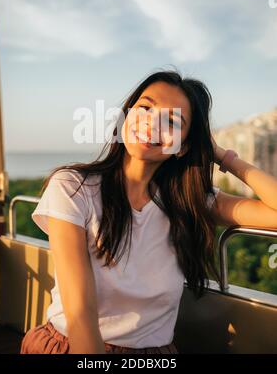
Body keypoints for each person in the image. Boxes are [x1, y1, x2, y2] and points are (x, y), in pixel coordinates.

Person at [20, 68, 277, 354]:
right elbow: (81, 314)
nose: (152, 125)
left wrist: (221, 155)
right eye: (144, 108)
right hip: (73, 346)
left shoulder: (191, 202)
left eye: (172, 121)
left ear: (182, 147)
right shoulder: (73, 188)